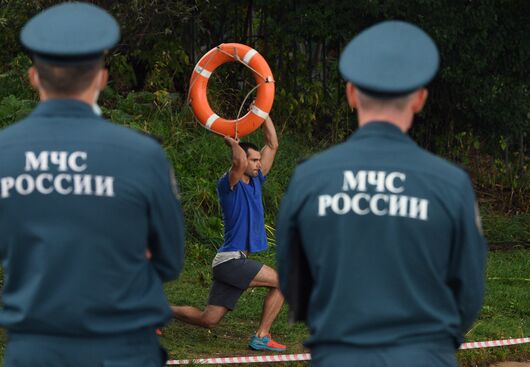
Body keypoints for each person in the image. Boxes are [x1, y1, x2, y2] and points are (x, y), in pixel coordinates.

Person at [276, 20, 487, 367]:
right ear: (420, 99)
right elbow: (469, 291)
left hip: (338, 354)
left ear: (350, 93)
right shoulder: (451, 184)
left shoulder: (310, 178)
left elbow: (293, 280)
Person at [0, 3, 185, 366]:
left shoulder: (4, 154)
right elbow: (170, 259)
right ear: (102, 77)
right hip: (123, 350)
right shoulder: (142, 155)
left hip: (34, 352)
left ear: (33, 76)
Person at [171, 115, 287, 352]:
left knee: (208, 319)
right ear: (243, 160)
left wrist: (263, 114)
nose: (257, 164)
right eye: (253, 160)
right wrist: (234, 144)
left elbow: (272, 144)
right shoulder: (229, 185)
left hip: (231, 262)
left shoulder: (256, 182)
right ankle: (262, 336)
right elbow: (237, 164)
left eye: (257, 160)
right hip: (231, 260)